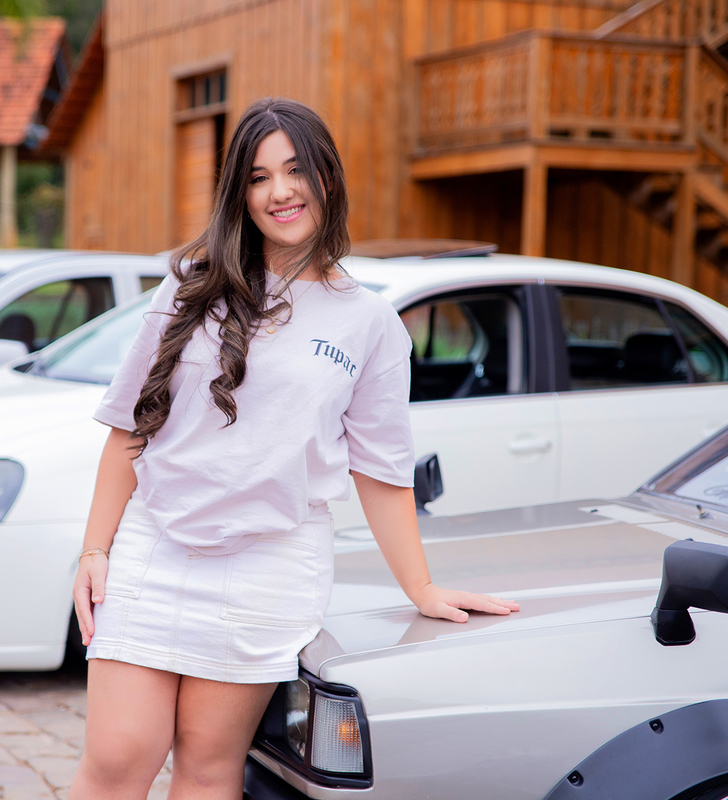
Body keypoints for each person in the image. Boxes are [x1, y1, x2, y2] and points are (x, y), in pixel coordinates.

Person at [69, 97, 519, 799]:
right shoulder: (190, 287)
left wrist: (421, 588)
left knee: (207, 769)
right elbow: (130, 427)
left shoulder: (367, 321)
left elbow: (381, 472)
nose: (279, 191)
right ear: (239, 195)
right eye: (257, 177)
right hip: (152, 551)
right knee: (118, 759)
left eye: (294, 169)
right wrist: (94, 549)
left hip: (268, 567)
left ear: (327, 179)